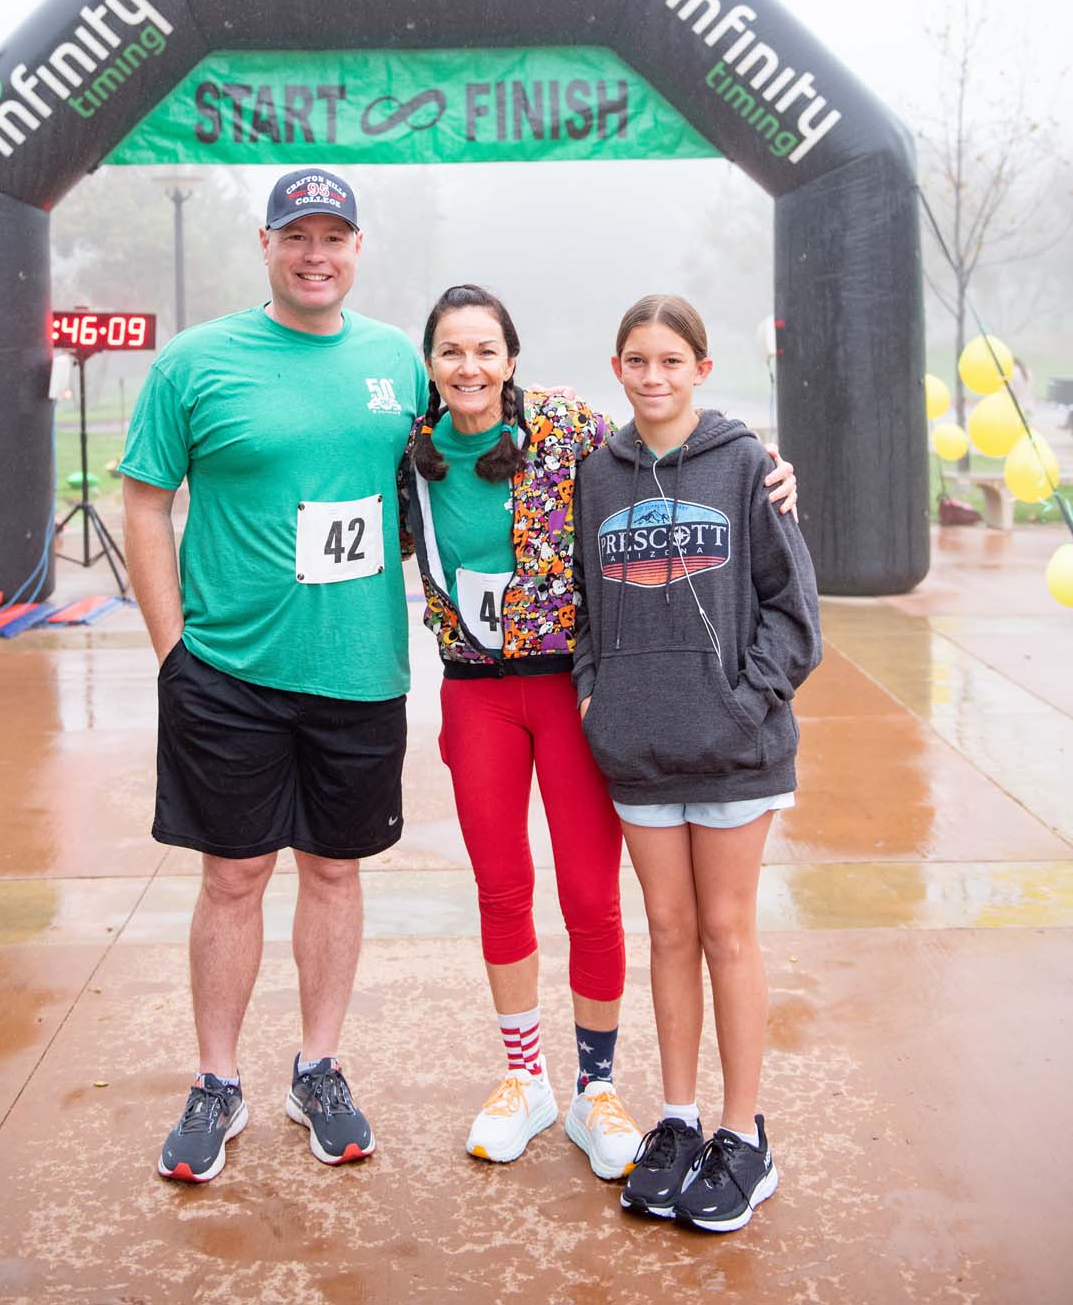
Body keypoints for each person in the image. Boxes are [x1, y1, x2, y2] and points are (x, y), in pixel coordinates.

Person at [401, 285, 798, 1180]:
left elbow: (677, 440)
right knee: (502, 884)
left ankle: (597, 1087)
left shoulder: (570, 430)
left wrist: (770, 466)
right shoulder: (409, 459)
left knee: (593, 893)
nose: (469, 368)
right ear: (430, 364)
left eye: (485, 351)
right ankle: (524, 1080)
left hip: (568, 689)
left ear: (512, 359)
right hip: (476, 690)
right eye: (451, 352)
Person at [120, 168, 428, 1183]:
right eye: (298, 235)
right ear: (265, 244)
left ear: (356, 249)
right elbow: (146, 505)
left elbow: (486, 448)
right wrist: (174, 653)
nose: (316, 253)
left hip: (358, 667)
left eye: (334, 236)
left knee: (334, 871)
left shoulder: (396, 362)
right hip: (230, 669)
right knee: (233, 875)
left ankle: (319, 1067)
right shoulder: (195, 362)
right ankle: (217, 1080)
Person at [572, 294, 821, 1233]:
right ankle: (675, 1122)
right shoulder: (598, 475)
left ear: (702, 370)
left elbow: (796, 614)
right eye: (637, 359)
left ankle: (741, 1133)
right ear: (618, 368)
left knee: (726, 933)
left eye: (671, 360)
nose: (653, 375)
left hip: (734, 753)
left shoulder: (748, 465)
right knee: (667, 934)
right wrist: (599, 700)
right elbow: (592, 613)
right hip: (637, 752)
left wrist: (743, 703)